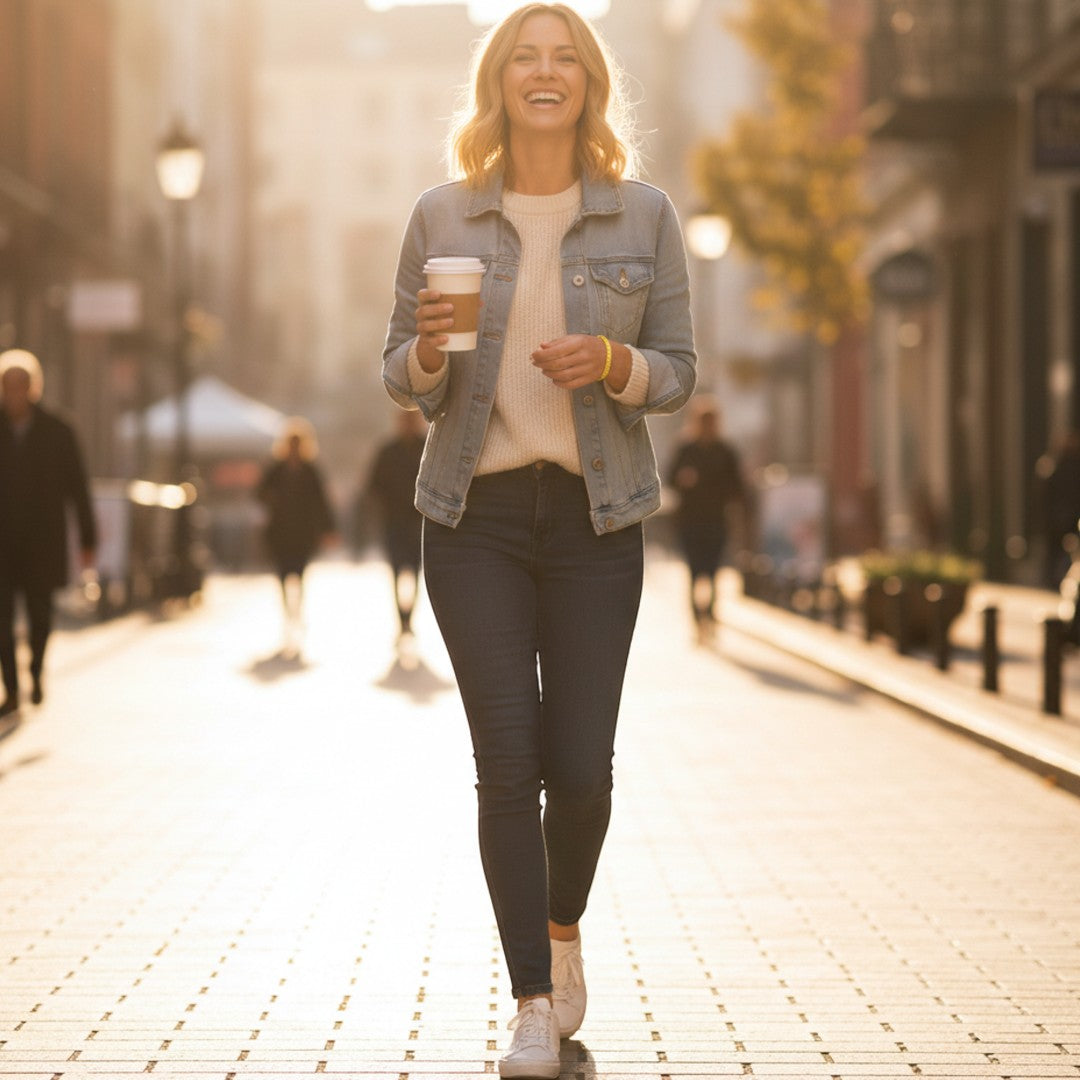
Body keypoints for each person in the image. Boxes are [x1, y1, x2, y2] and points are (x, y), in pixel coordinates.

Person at [382, 6, 696, 1076]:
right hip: (474, 520)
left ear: (590, 82)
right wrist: (428, 353)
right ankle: (526, 999)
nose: (546, 73)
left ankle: (563, 934)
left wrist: (613, 363)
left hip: (596, 521)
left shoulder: (645, 215)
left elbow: (680, 370)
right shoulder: (443, 213)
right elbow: (400, 375)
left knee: (585, 773)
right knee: (508, 768)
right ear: (500, 82)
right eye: (527, 57)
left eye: (566, 57)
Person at [0, 349, 97, 717]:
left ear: (33, 389)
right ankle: (11, 689)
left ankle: (36, 672)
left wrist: (87, 540)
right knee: (1, 620)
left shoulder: (58, 430)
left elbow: (78, 488)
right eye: (8, 388)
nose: (14, 395)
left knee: (41, 616)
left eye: (21, 387)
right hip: (2, 544)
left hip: (42, 540)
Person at [256, 417, 337, 657]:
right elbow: (259, 493)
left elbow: (321, 502)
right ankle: (288, 615)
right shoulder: (275, 469)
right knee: (283, 575)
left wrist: (328, 528)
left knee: (299, 574)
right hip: (280, 532)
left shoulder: (311, 470)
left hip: (302, 532)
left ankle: (297, 612)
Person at [666, 399, 745, 641]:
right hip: (690, 521)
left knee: (712, 574)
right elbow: (670, 479)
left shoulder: (726, 451)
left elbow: (737, 487)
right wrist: (683, 480)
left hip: (716, 520)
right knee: (693, 573)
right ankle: (696, 622)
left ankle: (709, 617)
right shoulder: (686, 449)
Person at [366, 410, 426, 640]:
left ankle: (408, 617)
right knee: (396, 571)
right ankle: (401, 618)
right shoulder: (387, 451)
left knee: (416, 571)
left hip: (419, 521)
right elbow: (373, 486)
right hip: (393, 521)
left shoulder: (426, 447)